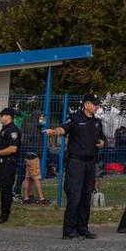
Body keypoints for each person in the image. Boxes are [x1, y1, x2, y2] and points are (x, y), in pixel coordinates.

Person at [45, 94, 107, 239]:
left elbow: (102, 138)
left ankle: (82, 228)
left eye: (97, 104)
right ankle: (69, 231)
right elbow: (63, 129)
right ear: (86, 105)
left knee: (86, 197)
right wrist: (54, 131)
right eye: (94, 104)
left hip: (90, 163)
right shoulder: (75, 118)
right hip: (76, 163)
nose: (96, 106)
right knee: (75, 197)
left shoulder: (97, 122)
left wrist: (102, 142)